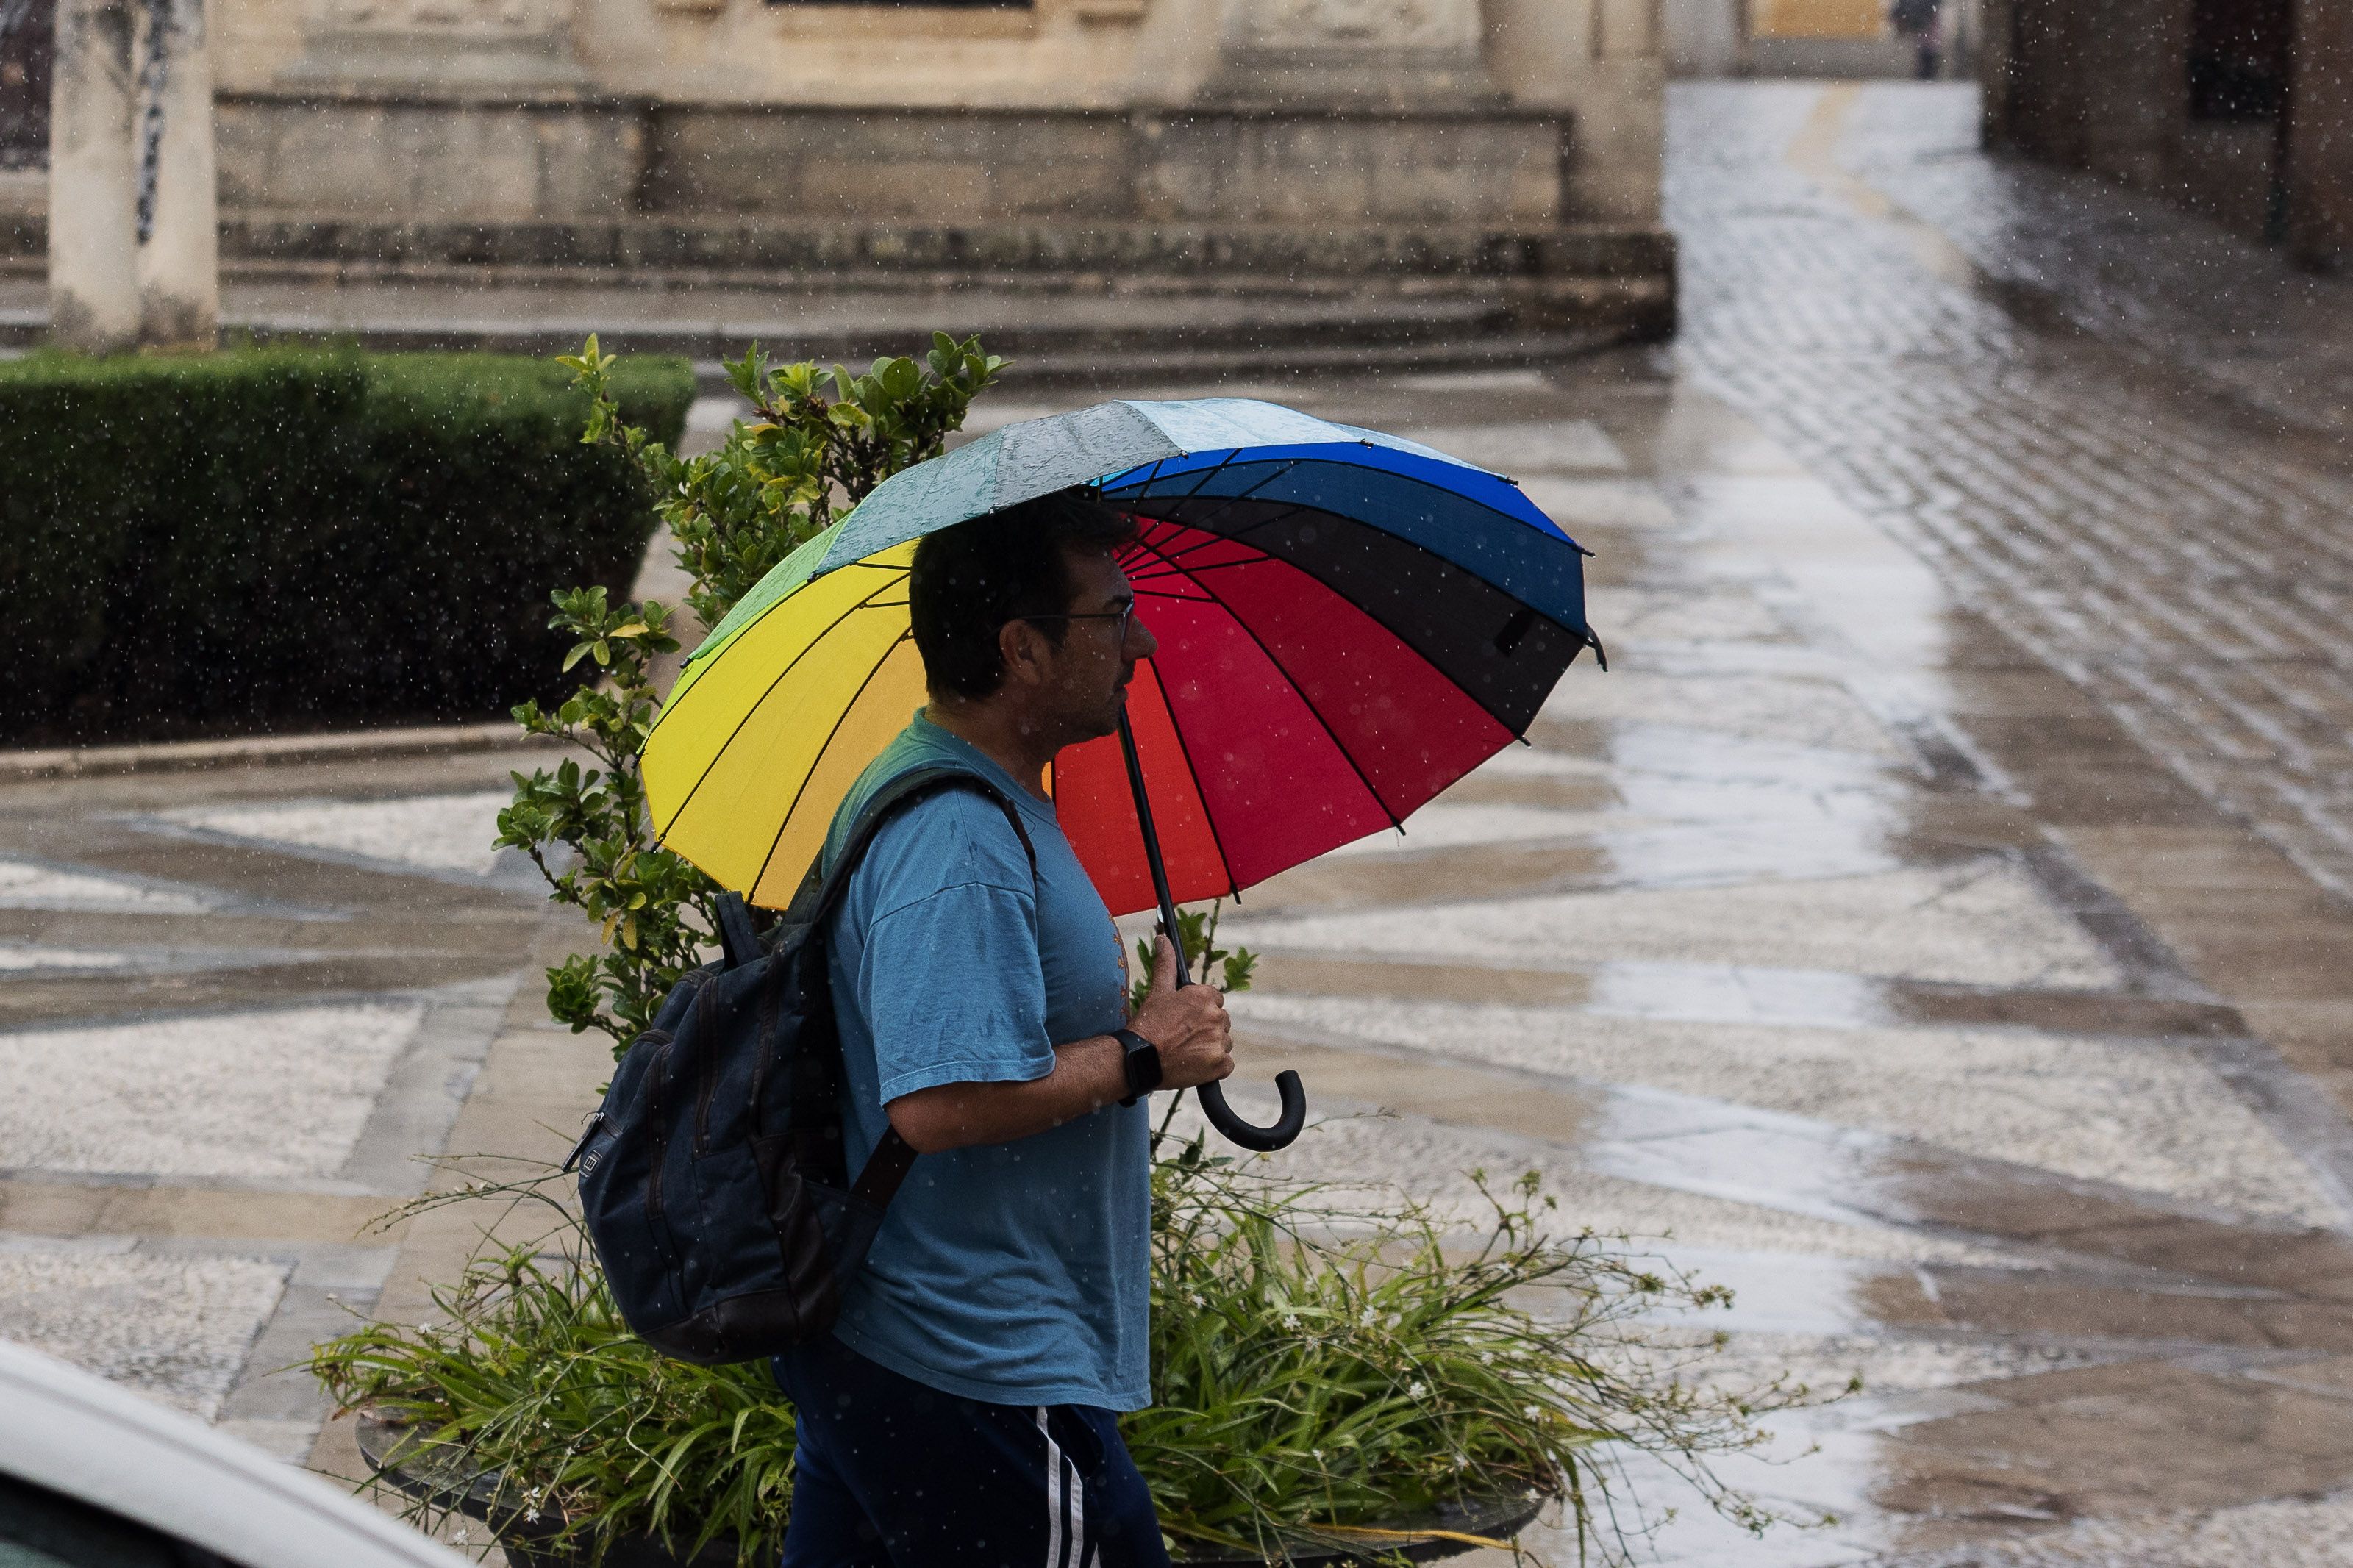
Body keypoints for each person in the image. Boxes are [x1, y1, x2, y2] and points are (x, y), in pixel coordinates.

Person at [769, 489, 1238, 1568]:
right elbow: (937, 1102)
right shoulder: (958, 838)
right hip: (974, 1368)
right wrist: (1139, 1053)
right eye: (1112, 616)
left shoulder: (983, 796)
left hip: (910, 1354)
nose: (1144, 640)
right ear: (1020, 647)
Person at [1890, 0, 1942, 79]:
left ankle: (1927, 73)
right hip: (1923, 17)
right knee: (1928, 49)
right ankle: (1927, 73)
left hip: (1923, 17)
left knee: (1928, 49)